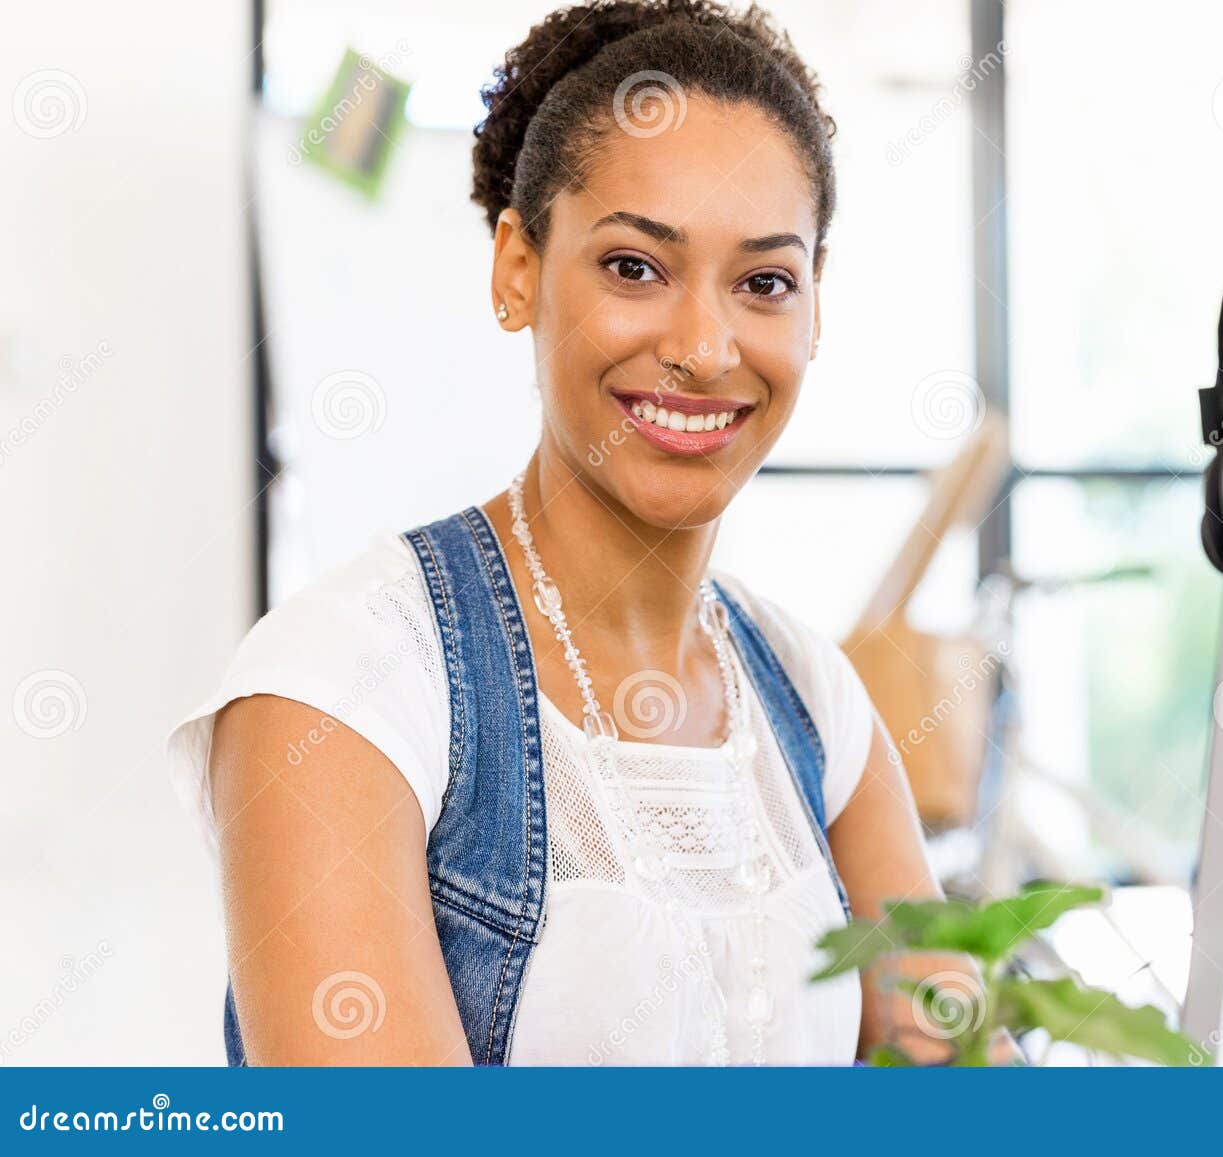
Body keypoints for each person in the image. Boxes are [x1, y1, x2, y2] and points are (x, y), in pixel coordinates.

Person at [167, 0, 982, 1065]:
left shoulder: (812, 700)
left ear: (814, 308)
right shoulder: (341, 686)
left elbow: (969, 1083)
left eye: (764, 282)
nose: (702, 345)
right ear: (517, 268)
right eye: (635, 266)